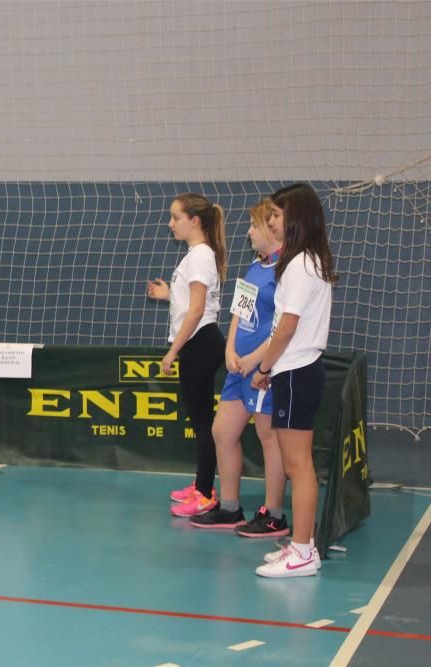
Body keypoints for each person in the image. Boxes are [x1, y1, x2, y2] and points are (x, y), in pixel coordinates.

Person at [251, 183, 336, 578]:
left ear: (296, 219)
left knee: (298, 466)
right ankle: (302, 545)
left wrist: (264, 369)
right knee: (295, 464)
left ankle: (303, 552)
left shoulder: (302, 264)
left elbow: (286, 329)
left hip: (295, 372)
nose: (271, 221)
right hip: (297, 371)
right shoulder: (308, 261)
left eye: (278, 216)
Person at [190, 199, 288, 535]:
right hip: (238, 367)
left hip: (263, 369)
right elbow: (239, 315)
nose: (248, 232)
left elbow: (281, 329)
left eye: (252, 226)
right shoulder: (254, 267)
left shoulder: (285, 271)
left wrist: (256, 360)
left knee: (268, 437)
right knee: (222, 431)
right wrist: (231, 349)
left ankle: (274, 513)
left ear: (271, 228)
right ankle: (230, 508)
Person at [147, 193, 227, 517]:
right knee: (200, 421)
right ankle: (201, 484)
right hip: (199, 340)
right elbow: (192, 304)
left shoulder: (200, 256)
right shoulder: (196, 255)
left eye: (175, 217)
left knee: (203, 422)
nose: (170, 224)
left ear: (195, 220)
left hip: (200, 342)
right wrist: (170, 294)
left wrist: (172, 351)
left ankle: (206, 493)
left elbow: (196, 312)